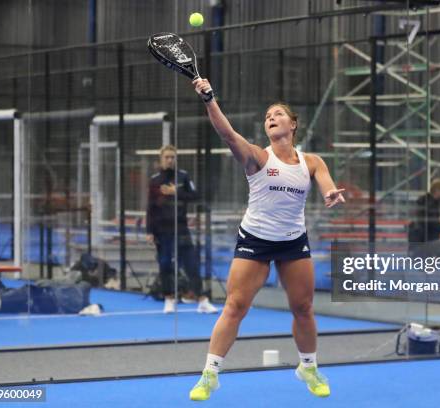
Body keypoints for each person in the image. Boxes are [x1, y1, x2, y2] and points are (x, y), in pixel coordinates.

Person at [188, 78, 345, 401]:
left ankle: (308, 367)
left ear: (293, 124)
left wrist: (330, 193)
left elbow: (326, 183)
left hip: (292, 241)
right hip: (255, 240)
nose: (271, 118)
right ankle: (209, 374)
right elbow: (227, 134)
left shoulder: (311, 161)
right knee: (235, 306)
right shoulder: (258, 157)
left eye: (278, 114)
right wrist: (209, 100)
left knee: (303, 307)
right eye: (267, 116)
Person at [146, 145, 217, 314]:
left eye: (172, 157)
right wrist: (149, 231)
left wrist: (176, 192)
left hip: (182, 229)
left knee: (191, 264)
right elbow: (150, 208)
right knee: (164, 265)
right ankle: (169, 299)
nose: (170, 160)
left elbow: (195, 196)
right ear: (161, 160)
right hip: (162, 231)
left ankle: (202, 300)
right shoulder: (154, 180)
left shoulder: (183, 177)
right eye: (167, 157)